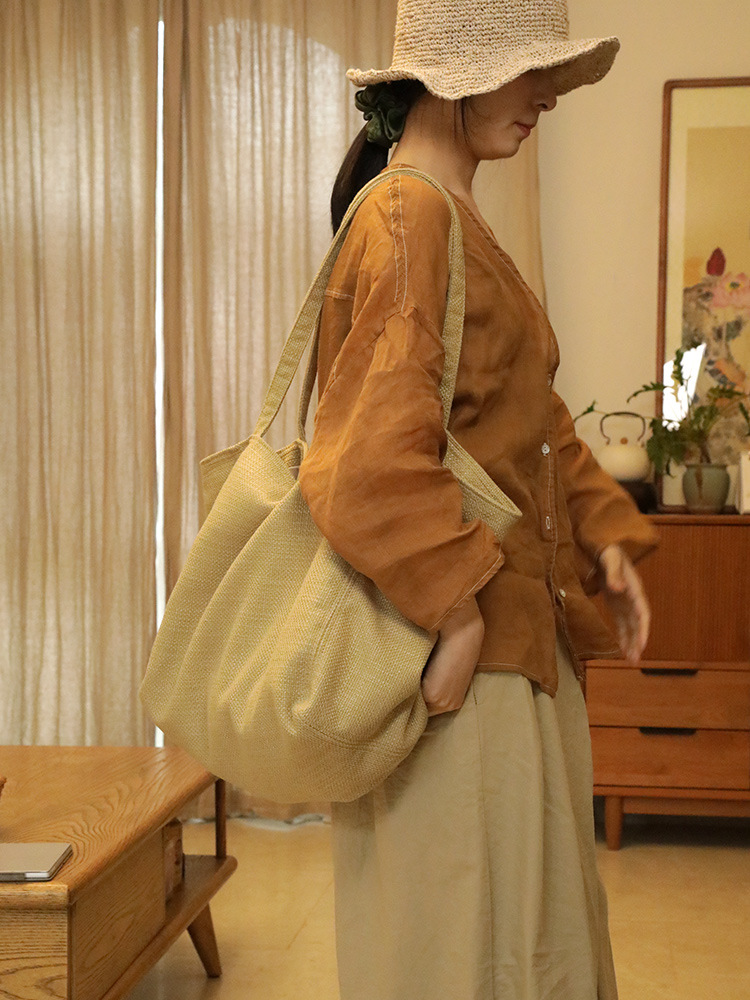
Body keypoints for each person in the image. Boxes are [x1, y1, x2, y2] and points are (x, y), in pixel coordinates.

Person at [298, 2, 659, 997]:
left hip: (513, 651)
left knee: (516, 947)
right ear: (460, 77)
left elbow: (530, 420)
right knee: (464, 953)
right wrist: (455, 613)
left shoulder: (446, 212)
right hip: (468, 664)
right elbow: (364, 460)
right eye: (530, 71)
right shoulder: (409, 214)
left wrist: (605, 538)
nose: (548, 96)